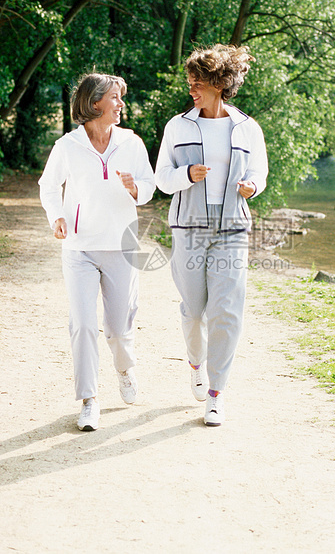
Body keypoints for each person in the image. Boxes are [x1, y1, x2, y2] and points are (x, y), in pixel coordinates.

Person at [155, 44, 268, 426]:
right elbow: (162, 179)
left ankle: (216, 394)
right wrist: (187, 175)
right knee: (193, 310)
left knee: (227, 311)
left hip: (232, 228)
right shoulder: (178, 126)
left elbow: (259, 173)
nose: (191, 88)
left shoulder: (247, 127)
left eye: (197, 82)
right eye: (190, 81)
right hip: (188, 227)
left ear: (219, 83)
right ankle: (196, 364)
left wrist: (252, 186)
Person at [39, 73, 155, 431]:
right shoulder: (67, 146)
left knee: (118, 329)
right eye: (115, 98)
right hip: (80, 248)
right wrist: (57, 216)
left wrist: (136, 188)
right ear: (94, 104)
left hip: (121, 245)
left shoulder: (131, 143)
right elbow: (48, 186)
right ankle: (89, 399)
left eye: (121, 98)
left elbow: (150, 187)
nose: (121, 105)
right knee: (83, 324)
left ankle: (124, 368)